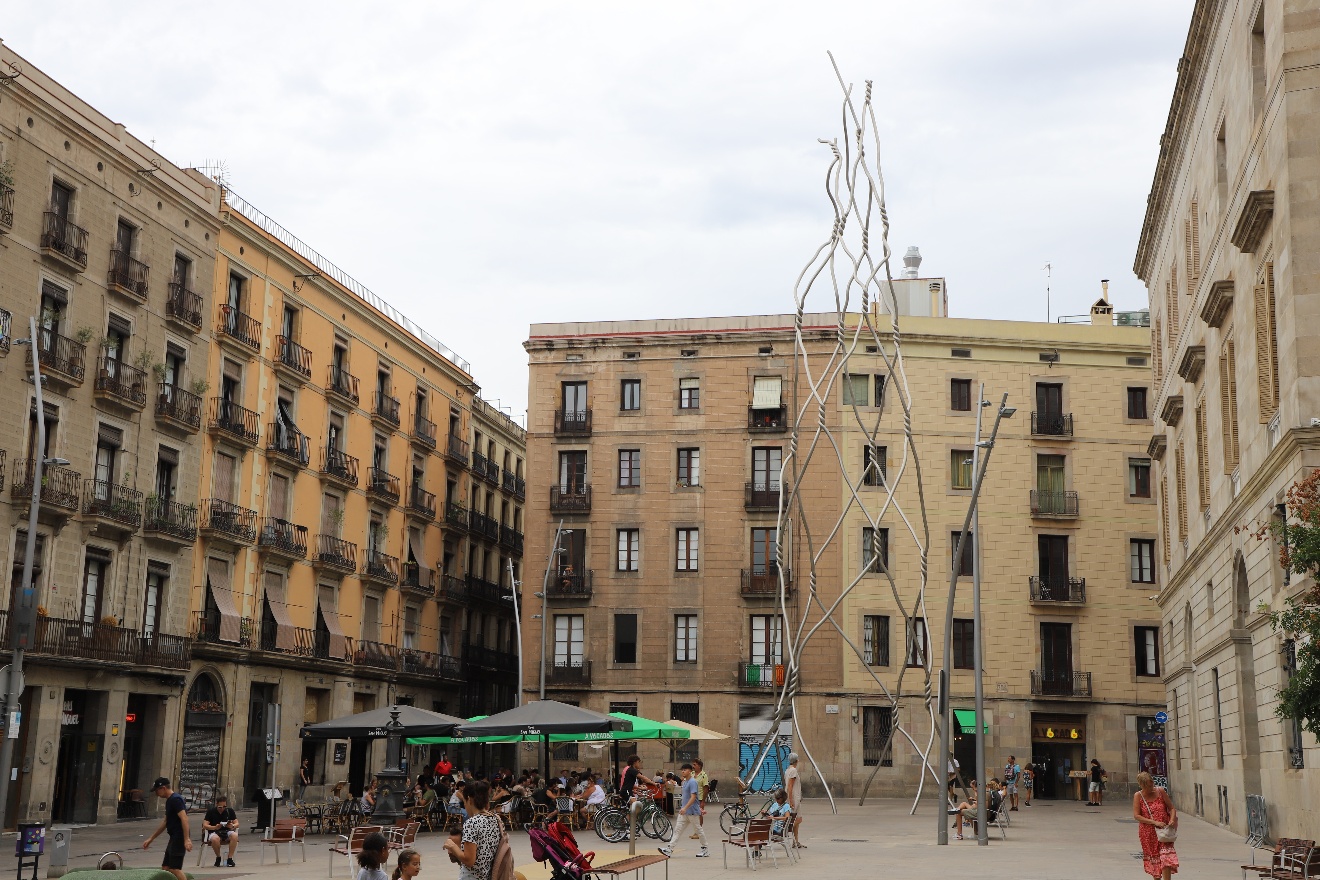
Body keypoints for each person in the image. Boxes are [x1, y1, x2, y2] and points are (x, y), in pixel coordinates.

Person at [444, 780, 503, 880]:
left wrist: (452, 846)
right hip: (489, 875)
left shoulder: (471, 823)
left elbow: (469, 860)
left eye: (465, 802)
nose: (465, 806)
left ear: (469, 800)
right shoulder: (496, 819)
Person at [142, 778, 191, 880]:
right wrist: (151, 838)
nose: (156, 794)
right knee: (166, 868)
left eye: (156, 791)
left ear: (163, 788)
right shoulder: (170, 800)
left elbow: (184, 818)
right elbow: (165, 822)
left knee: (174, 869)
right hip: (174, 837)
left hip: (179, 837)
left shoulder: (175, 799)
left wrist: (186, 839)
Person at [1133, 771, 1179, 879]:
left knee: (1166, 857)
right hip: (1148, 833)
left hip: (1164, 832)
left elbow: (1172, 808)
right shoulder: (1138, 796)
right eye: (1148, 786)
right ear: (1142, 785)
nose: (1151, 787)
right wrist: (1154, 822)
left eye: (1152, 784)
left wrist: (1171, 819)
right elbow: (1137, 816)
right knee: (1155, 860)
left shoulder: (1160, 791)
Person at [658, 763, 708, 858]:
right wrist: (684, 808)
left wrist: (686, 808)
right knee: (678, 830)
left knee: (698, 830)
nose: (683, 771)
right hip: (684, 812)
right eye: (682, 770)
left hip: (692, 812)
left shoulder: (693, 782)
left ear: (690, 771)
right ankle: (669, 849)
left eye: (685, 770)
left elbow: (693, 797)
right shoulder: (685, 782)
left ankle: (705, 848)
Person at [203, 794, 239, 867]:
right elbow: (205, 825)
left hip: (226, 831)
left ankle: (229, 858)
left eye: (224, 806)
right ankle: (218, 857)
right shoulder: (211, 811)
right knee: (215, 839)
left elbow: (237, 823)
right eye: (220, 807)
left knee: (235, 835)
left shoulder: (229, 811)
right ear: (216, 804)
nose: (222, 809)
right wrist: (215, 827)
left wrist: (232, 826)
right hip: (214, 831)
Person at [784, 753, 804, 848]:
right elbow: (790, 786)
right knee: (798, 819)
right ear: (797, 760)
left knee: (796, 819)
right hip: (794, 798)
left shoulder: (788, 770)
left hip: (795, 798)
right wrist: (791, 800)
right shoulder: (793, 770)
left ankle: (796, 841)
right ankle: (785, 829)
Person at [692, 759, 710, 838]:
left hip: (699, 798)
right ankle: (696, 832)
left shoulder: (704, 775)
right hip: (692, 797)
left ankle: (699, 833)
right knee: (693, 815)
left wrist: (703, 800)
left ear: (699, 766)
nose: (693, 766)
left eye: (695, 765)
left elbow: (706, 788)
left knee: (699, 815)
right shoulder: (692, 774)